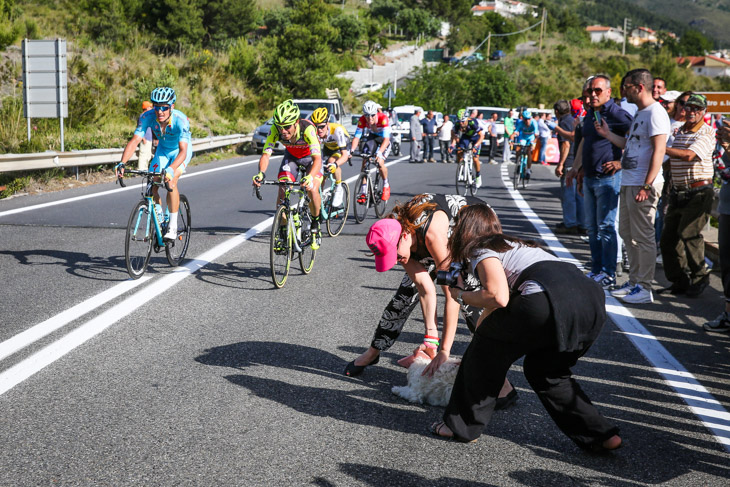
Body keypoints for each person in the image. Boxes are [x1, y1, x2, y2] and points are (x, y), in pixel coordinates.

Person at [429, 203, 622, 452]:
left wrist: (461, 295)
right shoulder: (519, 245)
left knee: (482, 355)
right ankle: (601, 435)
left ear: (464, 230)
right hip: (590, 300)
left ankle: (460, 426)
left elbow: (497, 296)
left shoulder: (481, 247)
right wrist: (484, 329)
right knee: (547, 372)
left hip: (545, 298)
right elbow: (499, 308)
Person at [595, 69, 670, 304]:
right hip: (629, 180)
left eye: (626, 86)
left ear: (638, 87)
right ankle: (634, 281)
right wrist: (608, 135)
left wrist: (647, 185)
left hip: (643, 183)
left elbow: (659, 151)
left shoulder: (655, 112)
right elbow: (630, 145)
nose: (623, 91)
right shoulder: (641, 112)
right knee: (627, 233)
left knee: (643, 236)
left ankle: (644, 287)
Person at [116, 87, 192, 241]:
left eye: (164, 107)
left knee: (170, 181)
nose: (160, 111)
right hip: (163, 151)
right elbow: (135, 140)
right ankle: (160, 220)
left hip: (180, 152)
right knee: (152, 184)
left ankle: (172, 226)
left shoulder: (181, 120)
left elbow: (184, 151)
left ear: (172, 106)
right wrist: (122, 163)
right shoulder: (147, 116)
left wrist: (171, 169)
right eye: (157, 107)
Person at [660, 93, 716, 297]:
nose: (692, 111)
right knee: (667, 239)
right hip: (678, 191)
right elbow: (671, 161)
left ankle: (700, 277)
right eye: (689, 107)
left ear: (704, 112)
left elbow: (689, 155)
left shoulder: (707, 132)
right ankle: (679, 280)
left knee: (688, 233)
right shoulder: (679, 132)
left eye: (697, 109)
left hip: (699, 191)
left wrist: (659, 148)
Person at [580, 75, 633, 289]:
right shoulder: (591, 113)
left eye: (598, 91)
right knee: (592, 228)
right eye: (590, 91)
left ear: (608, 92)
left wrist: (621, 163)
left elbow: (639, 141)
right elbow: (587, 143)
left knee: (606, 227)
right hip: (590, 177)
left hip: (608, 179)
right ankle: (596, 269)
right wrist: (578, 169)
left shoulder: (618, 114)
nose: (593, 94)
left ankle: (609, 273)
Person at [252, 99, 323, 250]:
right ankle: (283, 230)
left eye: (287, 126)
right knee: (283, 186)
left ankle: (316, 225)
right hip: (291, 158)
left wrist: (310, 177)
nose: (283, 131)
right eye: (280, 127)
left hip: (311, 159)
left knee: (312, 188)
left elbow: (317, 159)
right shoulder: (275, 130)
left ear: (296, 122)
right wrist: (261, 173)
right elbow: (266, 154)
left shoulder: (307, 129)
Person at [704, 119, 730, 332]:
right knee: (727, 263)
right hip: (726, 209)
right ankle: (728, 314)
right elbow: (724, 173)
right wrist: (727, 148)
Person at [552, 99, 584, 235]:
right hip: (577, 160)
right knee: (578, 195)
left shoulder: (563, 122)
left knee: (568, 194)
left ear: (557, 111)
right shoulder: (573, 120)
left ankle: (570, 223)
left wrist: (560, 164)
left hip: (570, 161)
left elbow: (566, 145)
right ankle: (582, 223)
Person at [351, 100, 392, 202]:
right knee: (365, 160)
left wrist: (379, 152)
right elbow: (356, 137)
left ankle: (386, 185)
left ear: (376, 113)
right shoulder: (362, 120)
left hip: (384, 140)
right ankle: (364, 191)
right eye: (367, 115)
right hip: (373, 138)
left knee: (380, 162)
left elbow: (386, 140)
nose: (369, 118)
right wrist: (351, 150)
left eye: (372, 115)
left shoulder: (383, 118)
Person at [311, 106, 350, 207]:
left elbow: (344, 156)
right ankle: (319, 198)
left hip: (341, 146)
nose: (319, 130)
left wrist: (335, 165)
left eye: (322, 126)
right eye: (316, 126)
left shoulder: (337, 130)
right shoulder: (314, 132)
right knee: (320, 173)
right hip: (328, 147)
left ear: (327, 123)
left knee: (331, 161)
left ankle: (339, 187)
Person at [451, 109, 485, 188]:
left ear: (467, 119)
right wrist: (452, 144)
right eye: (460, 121)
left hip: (476, 138)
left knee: (475, 159)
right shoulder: (458, 124)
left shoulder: (473, 122)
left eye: (463, 121)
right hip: (466, 137)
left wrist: (476, 146)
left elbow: (482, 136)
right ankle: (462, 170)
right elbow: (453, 133)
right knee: (459, 150)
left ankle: (478, 175)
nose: (461, 123)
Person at [513, 109, 538, 180]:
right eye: (526, 119)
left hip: (531, 138)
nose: (527, 121)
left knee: (529, 152)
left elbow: (536, 136)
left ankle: (528, 170)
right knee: (518, 148)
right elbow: (515, 132)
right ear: (523, 119)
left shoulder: (534, 123)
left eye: (529, 119)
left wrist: (533, 143)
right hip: (523, 137)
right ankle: (518, 163)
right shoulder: (521, 123)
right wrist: (511, 140)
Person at [138, 101, 154, 171]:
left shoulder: (148, 116)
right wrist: (143, 138)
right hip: (145, 138)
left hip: (149, 138)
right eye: (150, 107)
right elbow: (139, 128)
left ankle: (145, 168)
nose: (151, 108)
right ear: (146, 108)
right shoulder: (142, 116)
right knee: (143, 154)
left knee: (148, 155)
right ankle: (140, 168)